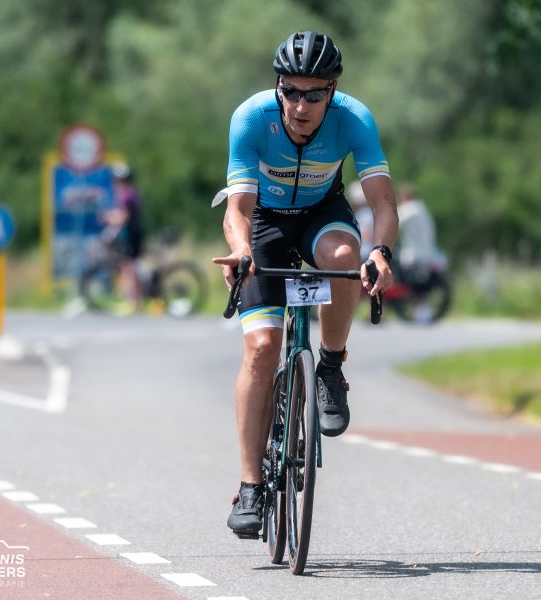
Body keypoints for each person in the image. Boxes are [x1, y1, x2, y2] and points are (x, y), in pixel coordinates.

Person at [212, 31, 398, 537]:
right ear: (278, 86)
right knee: (261, 347)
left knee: (344, 258)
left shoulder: (354, 119)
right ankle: (250, 485)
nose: (300, 106)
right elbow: (238, 209)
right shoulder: (252, 118)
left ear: (332, 92)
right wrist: (242, 250)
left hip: (322, 214)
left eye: (314, 95)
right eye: (291, 91)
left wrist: (380, 252)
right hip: (265, 224)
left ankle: (330, 366)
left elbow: (383, 202)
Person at [102, 163, 145, 313]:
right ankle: (136, 301)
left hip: (131, 234)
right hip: (135, 232)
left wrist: (109, 218)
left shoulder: (126, 195)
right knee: (130, 267)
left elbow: (124, 217)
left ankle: (131, 301)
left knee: (128, 268)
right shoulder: (130, 193)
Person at [396, 183, 437, 284]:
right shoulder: (422, 209)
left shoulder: (408, 209)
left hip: (413, 256)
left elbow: (394, 223)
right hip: (427, 253)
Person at [346, 180, 374, 261]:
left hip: (365, 253)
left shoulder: (364, 214)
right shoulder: (369, 213)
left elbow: (366, 234)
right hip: (367, 252)